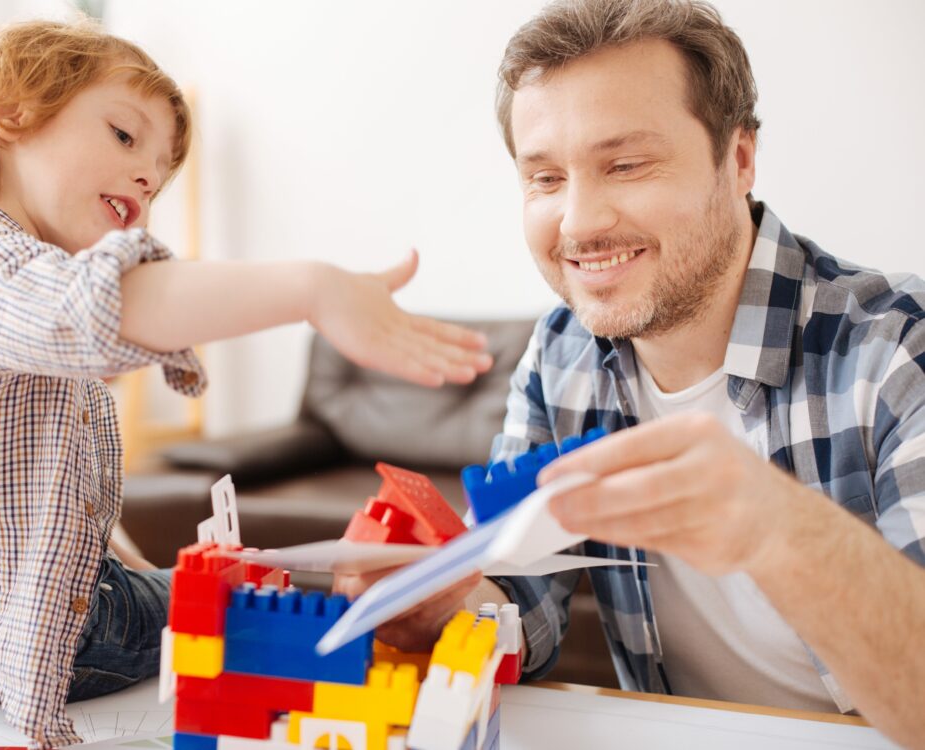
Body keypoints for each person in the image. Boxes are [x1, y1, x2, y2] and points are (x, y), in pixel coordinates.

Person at [0, 18, 493, 749]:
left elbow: (57, 502)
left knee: (215, 584)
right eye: (125, 137)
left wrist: (144, 571)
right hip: (21, 640)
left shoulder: (5, 288)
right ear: (12, 115)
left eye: (159, 171)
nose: (147, 176)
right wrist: (313, 290)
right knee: (289, 608)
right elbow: (108, 303)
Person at [336, 1, 925, 747]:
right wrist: (445, 606)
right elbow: (527, 606)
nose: (579, 223)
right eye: (546, 178)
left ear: (738, 160)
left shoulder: (898, 349)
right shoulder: (562, 356)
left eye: (625, 164)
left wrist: (778, 529)